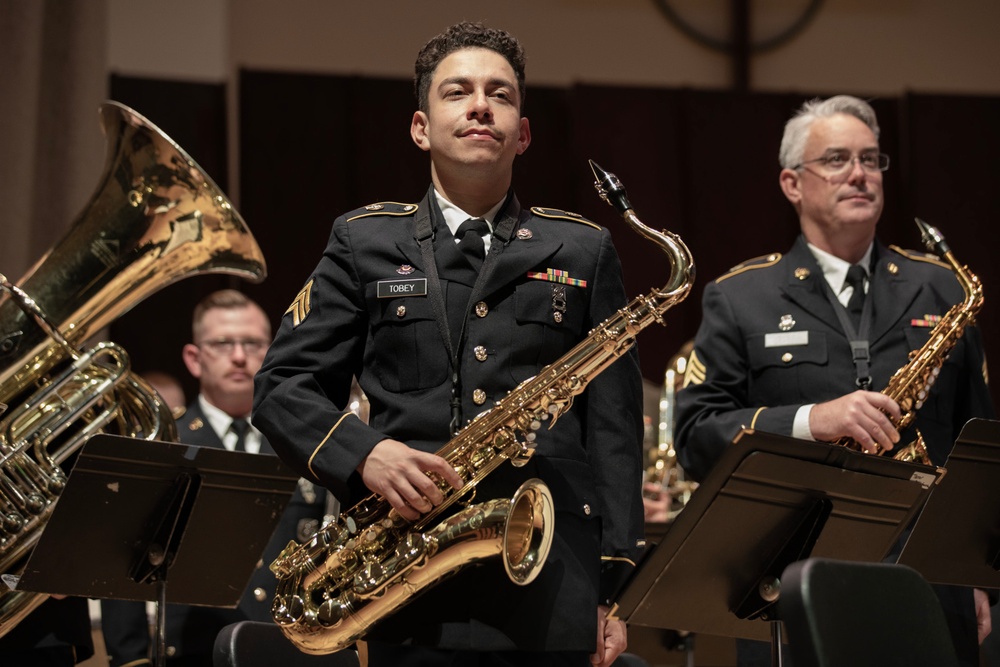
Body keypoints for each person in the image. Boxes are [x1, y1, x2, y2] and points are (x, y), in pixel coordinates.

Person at [252, 21, 644, 667]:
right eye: (457, 91)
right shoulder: (362, 241)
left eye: (501, 93)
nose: (481, 104)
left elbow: (614, 428)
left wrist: (615, 583)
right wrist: (366, 454)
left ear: (523, 132)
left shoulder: (584, 247)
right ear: (421, 127)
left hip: (553, 575)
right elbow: (282, 386)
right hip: (403, 575)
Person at [674, 95, 995, 666]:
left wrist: (976, 578)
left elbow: (979, 451)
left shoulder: (942, 289)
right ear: (793, 183)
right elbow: (697, 435)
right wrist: (809, 421)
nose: (860, 174)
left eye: (871, 160)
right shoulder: (741, 297)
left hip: (930, 589)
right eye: (838, 159)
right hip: (792, 587)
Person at [101, 290, 330, 666]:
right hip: (191, 653)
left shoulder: (303, 443)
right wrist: (128, 657)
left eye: (254, 343)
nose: (239, 356)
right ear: (194, 359)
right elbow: (121, 564)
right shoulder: (165, 444)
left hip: (288, 650)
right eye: (223, 343)